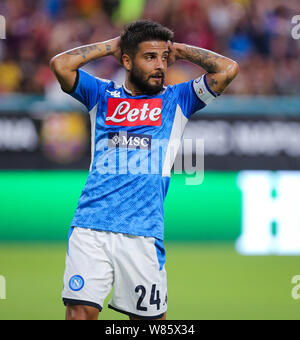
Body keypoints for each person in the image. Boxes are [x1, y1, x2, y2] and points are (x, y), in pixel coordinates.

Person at [50, 19, 238, 321]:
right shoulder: (101, 94)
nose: (160, 65)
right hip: (90, 226)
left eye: (163, 58)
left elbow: (227, 70)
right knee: (79, 315)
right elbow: (61, 65)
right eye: (150, 57)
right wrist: (111, 45)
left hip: (143, 234)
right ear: (126, 59)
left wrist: (179, 50)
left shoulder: (178, 100)